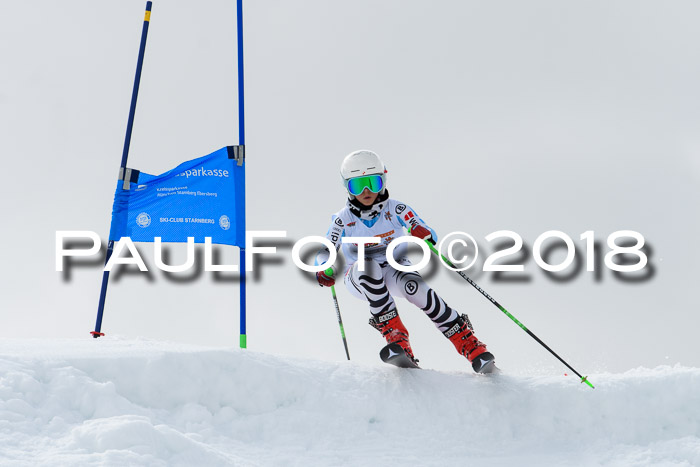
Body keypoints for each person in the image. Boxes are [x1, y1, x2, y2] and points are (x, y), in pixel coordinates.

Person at [314, 150, 496, 373]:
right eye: (358, 185)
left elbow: (427, 231)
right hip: (359, 276)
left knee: (417, 288)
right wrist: (323, 267)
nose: (367, 191)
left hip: (394, 268)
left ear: (383, 180)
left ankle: (469, 344)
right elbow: (325, 250)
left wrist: (423, 232)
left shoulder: (396, 209)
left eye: (373, 182)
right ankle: (397, 337)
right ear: (347, 187)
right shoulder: (343, 219)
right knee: (367, 266)